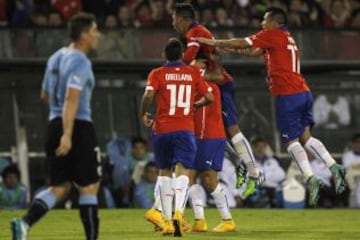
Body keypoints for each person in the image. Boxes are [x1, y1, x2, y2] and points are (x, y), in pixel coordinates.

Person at [195, 7, 346, 207]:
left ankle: (311, 178)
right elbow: (253, 50)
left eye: (264, 21)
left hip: (288, 94)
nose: (261, 24)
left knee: (291, 142)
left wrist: (216, 42)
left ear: (274, 22)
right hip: (304, 91)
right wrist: (230, 48)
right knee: (306, 137)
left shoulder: (272, 34)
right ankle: (334, 165)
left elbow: (245, 42)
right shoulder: (287, 37)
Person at [11, 13, 101, 240]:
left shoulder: (54, 58)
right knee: (88, 187)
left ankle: (25, 224)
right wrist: (68, 133)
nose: (97, 35)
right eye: (94, 30)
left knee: (59, 187)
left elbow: (44, 95)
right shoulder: (80, 61)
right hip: (78, 127)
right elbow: (72, 97)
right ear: (83, 35)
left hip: (54, 123)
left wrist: (59, 120)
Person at [171, 3, 262, 196]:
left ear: (181, 19)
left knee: (232, 129)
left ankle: (255, 173)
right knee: (217, 134)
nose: (173, 24)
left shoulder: (194, 33)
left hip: (221, 85)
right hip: (213, 85)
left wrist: (187, 67)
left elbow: (185, 61)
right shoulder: (197, 32)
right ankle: (240, 164)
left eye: (174, 20)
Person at [140, 37, 213, 236]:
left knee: (163, 171)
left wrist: (143, 114)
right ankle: (178, 214)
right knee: (183, 171)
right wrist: (195, 106)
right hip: (185, 129)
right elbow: (210, 97)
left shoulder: (157, 73)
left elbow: (148, 95)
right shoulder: (193, 73)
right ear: (182, 55)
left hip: (162, 129)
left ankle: (167, 222)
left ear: (164, 55)